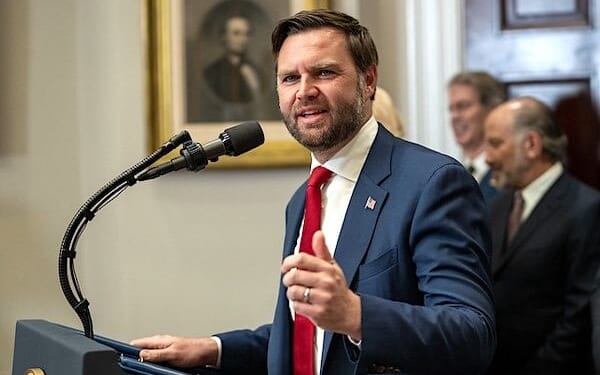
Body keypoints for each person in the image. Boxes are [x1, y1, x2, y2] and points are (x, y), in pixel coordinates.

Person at [132, 9, 495, 374]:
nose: (304, 91)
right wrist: (214, 348)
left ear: (368, 80)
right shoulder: (302, 201)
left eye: (324, 72)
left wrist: (356, 315)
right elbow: (313, 338)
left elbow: (472, 335)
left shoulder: (432, 182)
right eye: (290, 77)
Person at [483, 96, 600, 374]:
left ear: (532, 144)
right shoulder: (496, 207)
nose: (487, 157)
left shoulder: (586, 208)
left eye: (496, 143)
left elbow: (579, 315)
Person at [448, 71, 506, 202]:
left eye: (463, 106)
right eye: (452, 109)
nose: (455, 116)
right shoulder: (450, 176)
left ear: (493, 110)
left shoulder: (508, 176)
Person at [203, 14, 262, 104]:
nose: (243, 39)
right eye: (236, 33)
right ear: (224, 37)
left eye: (246, 34)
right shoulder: (211, 74)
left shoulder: (256, 72)